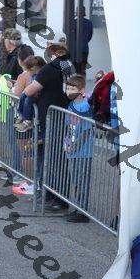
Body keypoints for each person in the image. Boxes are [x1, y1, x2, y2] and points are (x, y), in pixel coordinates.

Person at [24, 31, 74, 211]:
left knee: (54, 159)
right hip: (60, 116)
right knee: (55, 158)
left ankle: (58, 199)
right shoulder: (69, 65)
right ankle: (55, 196)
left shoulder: (50, 68)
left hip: (52, 119)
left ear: (50, 47)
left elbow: (29, 91)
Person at [64, 74, 93, 223]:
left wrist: (74, 147)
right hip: (72, 150)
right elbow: (68, 127)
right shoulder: (70, 105)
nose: (69, 91)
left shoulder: (85, 107)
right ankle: (78, 207)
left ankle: (83, 212)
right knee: (76, 181)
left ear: (81, 90)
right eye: (68, 88)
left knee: (82, 182)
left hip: (83, 153)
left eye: (72, 89)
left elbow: (86, 132)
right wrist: (66, 143)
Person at [14, 56, 46, 132]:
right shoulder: (34, 74)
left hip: (40, 95)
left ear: (33, 68)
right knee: (23, 96)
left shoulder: (42, 74)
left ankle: (28, 120)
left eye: (28, 71)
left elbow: (37, 87)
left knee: (28, 99)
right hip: (34, 93)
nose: (27, 73)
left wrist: (29, 91)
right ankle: (21, 114)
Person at [74, 6, 93, 75]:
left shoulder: (73, 22)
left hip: (74, 50)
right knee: (82, 70)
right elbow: (89, 36)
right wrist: (84, 42)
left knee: (75, 70)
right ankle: (82, 81)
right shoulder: (89, 23)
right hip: (84, 49)